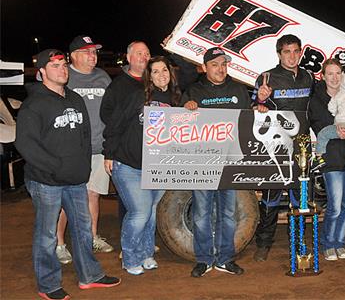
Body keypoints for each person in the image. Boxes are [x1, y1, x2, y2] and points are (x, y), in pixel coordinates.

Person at [15, 49, 120, 300]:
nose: (62, 69)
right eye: (54, 66)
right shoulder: (34, 103)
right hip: (46, 181)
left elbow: (85, 136)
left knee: (84, 228)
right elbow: (26, 145)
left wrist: (82, 167)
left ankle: (90, 276)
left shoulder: (75, 99)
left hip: (75, 180)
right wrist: (56, 167)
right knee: (47, 233)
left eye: (63, 64)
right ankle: (48, 284)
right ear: (41, 72)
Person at [180, 47, 251, 277]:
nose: (220, 69)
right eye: (215, 65)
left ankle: (225, 258)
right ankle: (203, 259)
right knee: (201, 214)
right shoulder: (194, 90)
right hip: (202, 162)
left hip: (230, 163)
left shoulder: (239, 90)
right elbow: (180, 123)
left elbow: (248, 122)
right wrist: (186, 107)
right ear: (205, 67)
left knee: (228, 214)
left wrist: (259, 109)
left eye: (223, 64)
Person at [101, 41, 167, 276]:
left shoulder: (172, 98)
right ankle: (130, 258)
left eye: (165, 70)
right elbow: (114, 123)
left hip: (157, 166)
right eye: (156, 71)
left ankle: (146, 253)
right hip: (128, 163)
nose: (161, 75)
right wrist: (109, 153)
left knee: (150, 211)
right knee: (139, 212)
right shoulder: (135, 94)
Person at [251, 34, 315, 262]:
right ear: (279, 54)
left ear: (300, 52)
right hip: (275, 145)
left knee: (300, 197)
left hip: (302, 145)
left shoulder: (308, 77)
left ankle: (297, 241)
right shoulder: (267, 77)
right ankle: (264, 242)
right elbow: (253, 106)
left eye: (296, 51)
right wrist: (259, 99)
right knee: (271, 195)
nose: (292, 56)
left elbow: (315, 108)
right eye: (287, 52)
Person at [54, 35, 113, 266]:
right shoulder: (64, 76)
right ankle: (59, 244)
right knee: (67, 198)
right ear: (73, 56)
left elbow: (112, 109)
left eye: (94, 52)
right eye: (87, 52)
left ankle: (91, 237)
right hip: (72, 151)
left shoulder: (103, 76)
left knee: (92, 195)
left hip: (98, 148)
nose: (92, 56)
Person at [308, 59, 345, 261]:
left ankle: (340, 242)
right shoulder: (317, 100)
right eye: (330, 74)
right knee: (334, 205)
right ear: (323, 76)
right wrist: (338, 130)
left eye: (338, 73)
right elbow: (319, 126)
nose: (335, 78)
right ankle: (328, 243)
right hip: (332, 158)